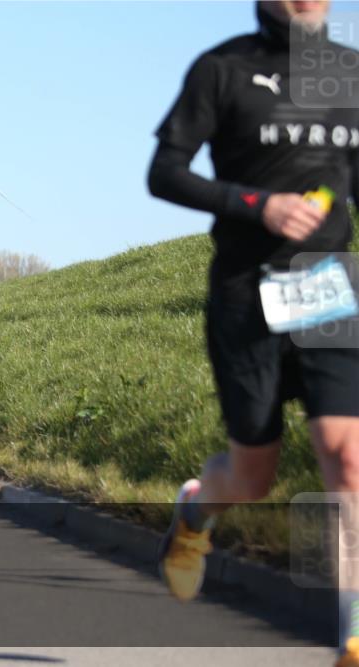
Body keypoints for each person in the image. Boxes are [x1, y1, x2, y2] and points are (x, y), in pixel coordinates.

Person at [148, 2, 359, 663]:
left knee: (346, 454)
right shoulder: (223, 68)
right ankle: (196, 511)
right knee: (252, 476)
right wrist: (256, 204)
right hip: (245, 291)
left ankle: (354, 632)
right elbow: (165, 172)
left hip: (327, 287)